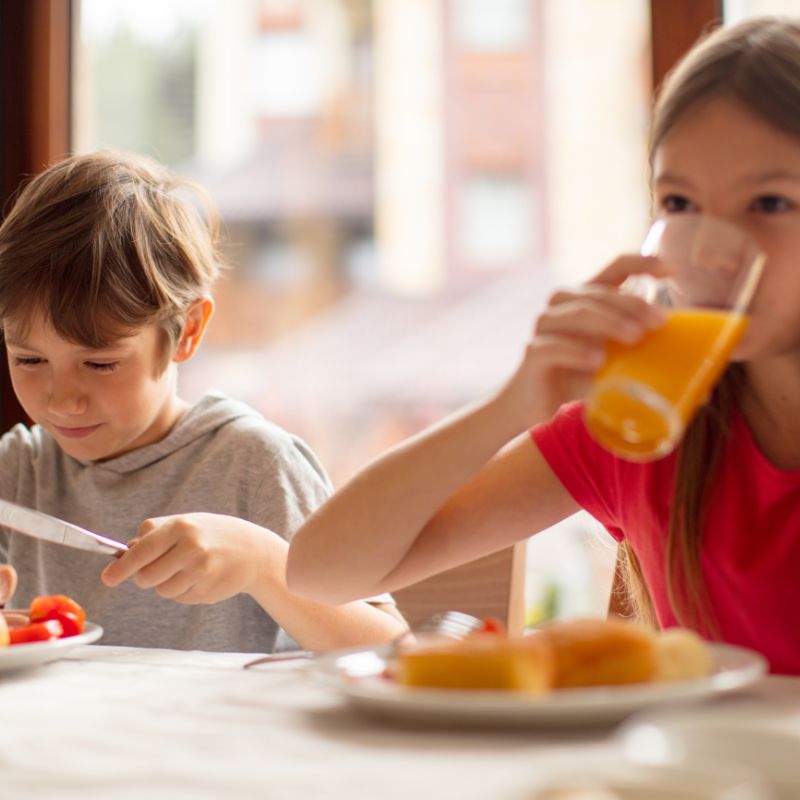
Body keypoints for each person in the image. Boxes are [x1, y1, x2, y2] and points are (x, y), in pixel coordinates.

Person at [287, 16, 800, 675]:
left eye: (770, 202)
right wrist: (514, 404)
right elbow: (321, 571)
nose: (709, 251)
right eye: (679, 203)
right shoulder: (646, 428)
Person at [0, 150, 407, 652]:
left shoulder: (254, 467)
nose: (62, 401)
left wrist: (263, 564)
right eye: (29, 361)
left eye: (101, 364)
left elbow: (391, 651)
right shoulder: (17, 472)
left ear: (188, 331)